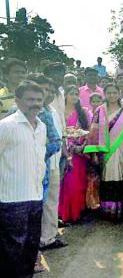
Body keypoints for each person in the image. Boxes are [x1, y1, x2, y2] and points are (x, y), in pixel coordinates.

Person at [0, 81, 50, 278]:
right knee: (11, 251)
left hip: (35, 196)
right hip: (11, 199)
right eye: (30, 99)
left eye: (38, 100)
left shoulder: (41, 127)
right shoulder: (6, 126)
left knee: (30, 245)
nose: (35, 104)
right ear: (18, 100)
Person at [85, 84, 123, 220]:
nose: (112, 95)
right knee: (108, 177)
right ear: (104, 94)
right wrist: (94, 153)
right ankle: (108, 210)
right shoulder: (100, 111)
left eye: (114, 92)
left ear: (119, 93)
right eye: (109, 93)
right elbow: (94, 132)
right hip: (106, 150)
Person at [26, 74, 66, 251]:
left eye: (50, 90)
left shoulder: (52, 110)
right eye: (44, 89)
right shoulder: (33, 112)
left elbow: (59, 135)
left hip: (54, 163)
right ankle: (38, 241)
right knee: (36, 204)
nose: (48, 93)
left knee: (51, 201)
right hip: (38, 165)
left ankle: (49, 237)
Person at [58, 85, 92, 223]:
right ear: (65, 95)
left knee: (78, 183)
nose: (74, 96)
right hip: (63, 151)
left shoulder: (83, 112)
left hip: (79, 154)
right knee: (65, 184)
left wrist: (82, 146)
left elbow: (89, 131)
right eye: (71, 94)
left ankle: (78, 212)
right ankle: (65, 213)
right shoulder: (59, 112)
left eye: (76, 94)